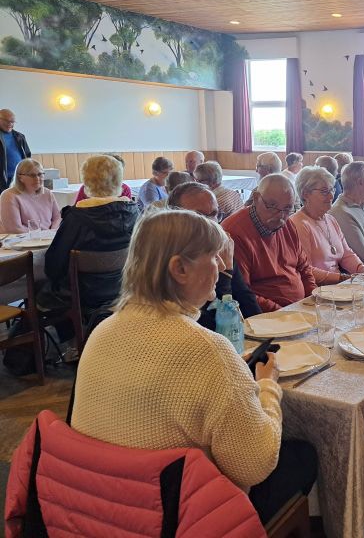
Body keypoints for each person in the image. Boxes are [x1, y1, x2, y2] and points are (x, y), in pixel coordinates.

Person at [70, 209, 317, 524]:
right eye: (213, 257)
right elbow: (255, 466)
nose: (222, 267)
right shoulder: (206, 349)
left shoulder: (102, 330)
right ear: (180, 269)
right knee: (304, 454)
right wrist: (267, 386)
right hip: (172, 517)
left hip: (94, 503)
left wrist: (230, 374)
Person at [38, 155, 139, 315]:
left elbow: (53, 265)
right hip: (125, 287)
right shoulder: (134, 213)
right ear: (119, 179)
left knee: (40, 287)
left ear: (86, 181)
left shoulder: (76, 218)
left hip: (83, 294)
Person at [167, 182, 261, 328]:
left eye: (214, 214)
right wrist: (225, 274)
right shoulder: (174, 260)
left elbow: (245, 297)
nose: (212, 223)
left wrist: (266, 332)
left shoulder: (220, 247)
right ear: (175, 219)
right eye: (199, 216)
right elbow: (211, 325)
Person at [221, 174, 316, 312]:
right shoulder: (234, 233)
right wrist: (284, 313)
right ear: (256, 198)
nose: (280, 215)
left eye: (287, 208)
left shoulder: (287, 224)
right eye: (272, 206)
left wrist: (313, 299)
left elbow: (304, 268)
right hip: (267, 316)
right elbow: (243, 293)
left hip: (299, 310)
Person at [289, 166, 364, 285]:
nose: (331, 196)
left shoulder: (330, 219)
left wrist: (362, 270)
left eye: (332, 190)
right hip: (317, 289)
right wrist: (341, 278)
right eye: (324, 191)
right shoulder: (298, 224)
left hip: (339, 285)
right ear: (305, 194)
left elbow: (346, 254)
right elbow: (306, 270)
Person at [0, 158, 61, 234]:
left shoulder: (47, 193)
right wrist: (41, 235)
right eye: (32, 175)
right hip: (20, 238)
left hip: (46, 237)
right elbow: (15, 229)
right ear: (20, 177)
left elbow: (57, 218)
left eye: (40, 174)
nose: (37, 178)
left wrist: (52, 232)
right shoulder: (9, 195)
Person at [0, 109, 32, 193]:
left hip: (19, 178)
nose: (10, 124)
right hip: (2, 180)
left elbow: (27, 156)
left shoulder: (20, 136)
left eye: (12, 122)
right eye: (7, 121)